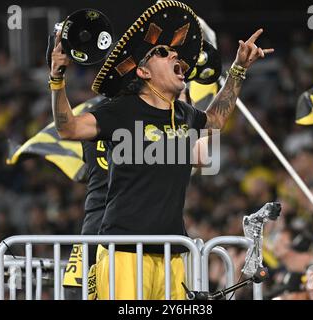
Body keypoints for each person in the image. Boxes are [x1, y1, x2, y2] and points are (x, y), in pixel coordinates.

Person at [49, 1, 273, 299]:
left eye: (176, 52)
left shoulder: (185, 113)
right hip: (124, 250)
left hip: (172, 250)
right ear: (142, 71)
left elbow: (216, 119)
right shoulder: (119, 111)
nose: (175, 55)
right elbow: (69, 128)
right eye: (163, 52)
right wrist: (57, 78)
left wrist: (238, 70)